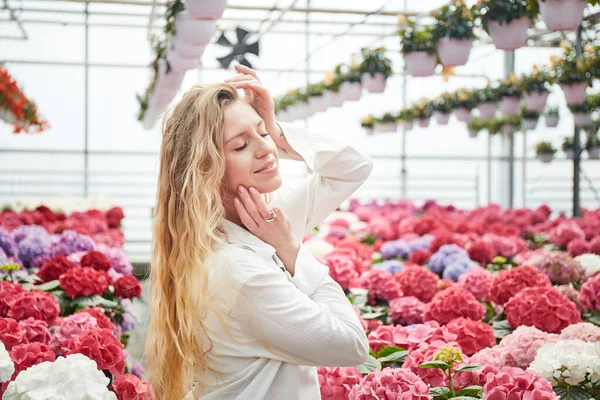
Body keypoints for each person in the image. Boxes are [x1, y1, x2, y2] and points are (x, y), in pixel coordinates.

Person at [145, 64, 373, 400]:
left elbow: (353, 167)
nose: (265, 149)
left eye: (261, 133)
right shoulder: (240, 271)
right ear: (207, 168)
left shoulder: (256, 219)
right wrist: (290, 248)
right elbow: (351, 345)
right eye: (240, 146)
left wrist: (277, 131)